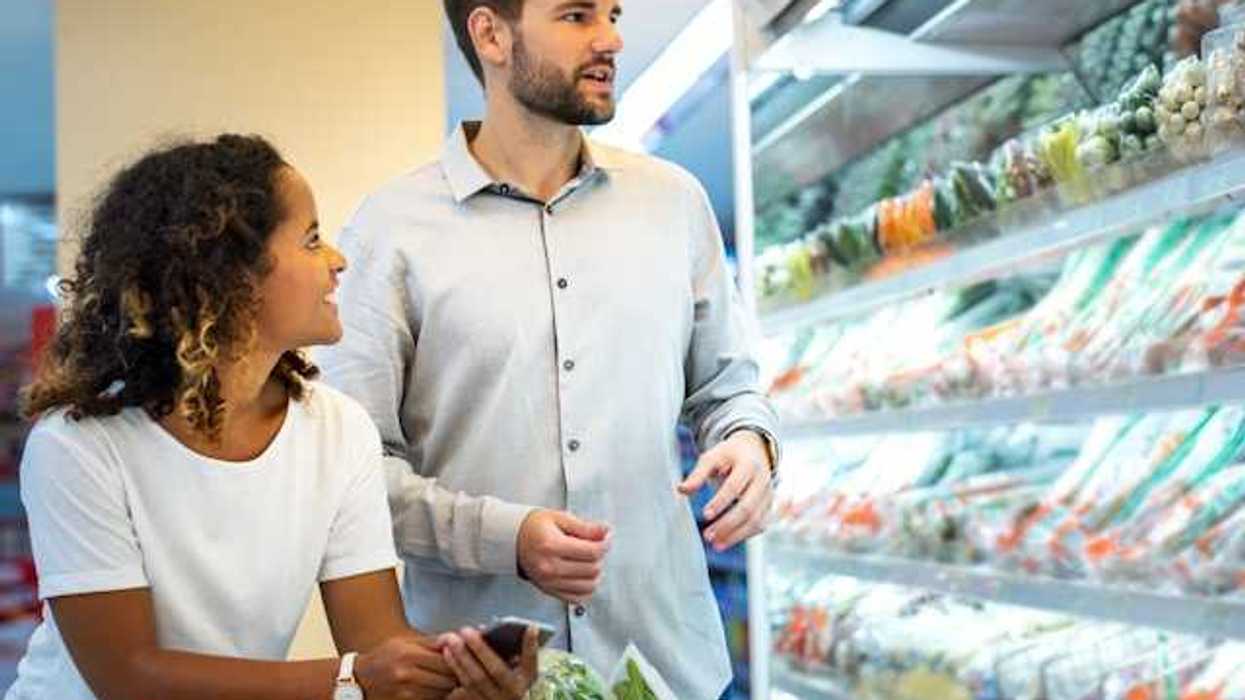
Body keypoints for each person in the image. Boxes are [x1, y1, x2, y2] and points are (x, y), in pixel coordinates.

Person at [315, 1, 782, 697]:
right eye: (576, 16)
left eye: (613, 14)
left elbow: (729, 388)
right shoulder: (389, 231)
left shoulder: (673, 205)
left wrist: (749, 442)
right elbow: (351, 476)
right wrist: (506, 537)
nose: (611, 39)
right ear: (490, 34)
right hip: (478, 677)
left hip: (665, 667)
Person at [7, 134, 536, 700]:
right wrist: (350, 680)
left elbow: (377, 642)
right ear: (229, 277)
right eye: (310, 240)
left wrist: (463, 681)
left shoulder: (337, 431)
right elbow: (129, 676)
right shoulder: (78, 444)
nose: (338, 260)